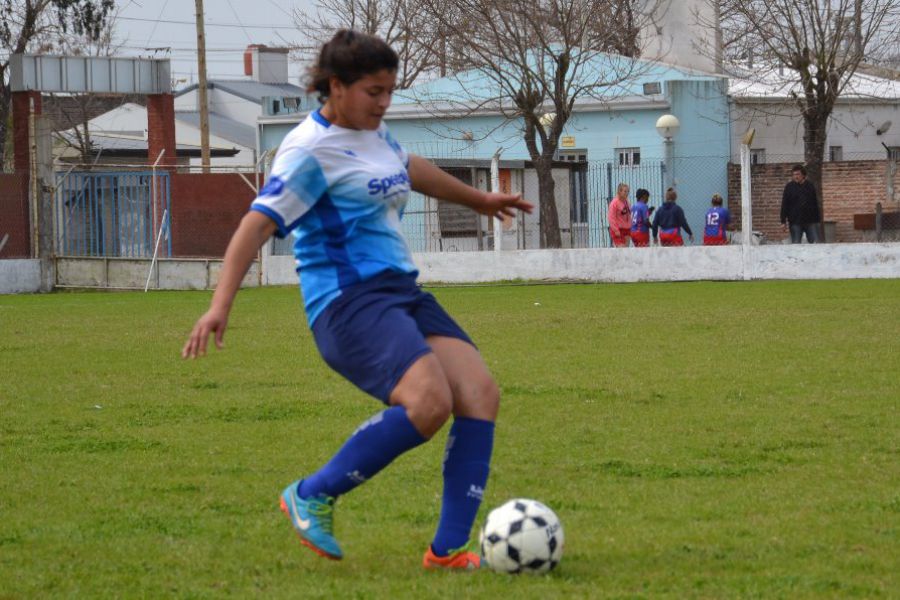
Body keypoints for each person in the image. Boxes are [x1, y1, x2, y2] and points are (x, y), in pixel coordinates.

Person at [181, 30, 533, 571]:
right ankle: (312, 493)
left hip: (399, 292)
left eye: (390, 90)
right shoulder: (308, 152)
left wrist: (480, 198)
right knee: (428, 402)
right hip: (347, 304)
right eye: (374, 91)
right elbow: (255, 226)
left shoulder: (374, 131)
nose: (385, 102)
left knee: (479, 393)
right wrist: (220, 304)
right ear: (335, 87)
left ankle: (446, 553)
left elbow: (408, 167)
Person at [780, 164, 820, 243]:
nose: (795, 176)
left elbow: (815, 203)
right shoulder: (789, 187)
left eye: (798, 174)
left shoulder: (810, 186)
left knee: (815, 244)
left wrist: (817, 220)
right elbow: (784, 204)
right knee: (796, 243)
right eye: (794, 175)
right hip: (795, 221)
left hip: (810, 221)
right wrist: (783, 221)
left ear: (803, 175)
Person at [608, 183, 632, 247]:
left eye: (627, 191)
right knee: (621, 248)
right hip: (618, 229)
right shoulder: (614, 203)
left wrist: (630, 226)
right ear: (619, 191)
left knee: (626, 250)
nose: (627, 193)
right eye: (625, 191)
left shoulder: (627, 202)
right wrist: (616, 230)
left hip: (627, 229)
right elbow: (611, 218)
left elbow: (629, 216)